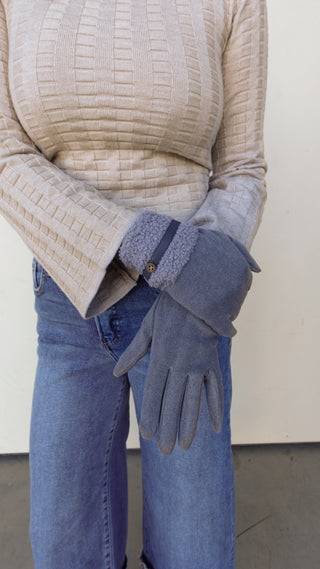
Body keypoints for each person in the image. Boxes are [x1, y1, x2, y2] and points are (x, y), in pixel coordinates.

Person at [0, 0, 268, 567]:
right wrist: (147, 241)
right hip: (70, 300)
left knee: (195, 554)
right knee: (64, 551)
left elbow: (242, 166)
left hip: (188, 305)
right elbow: (6, 153)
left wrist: (200, 278)